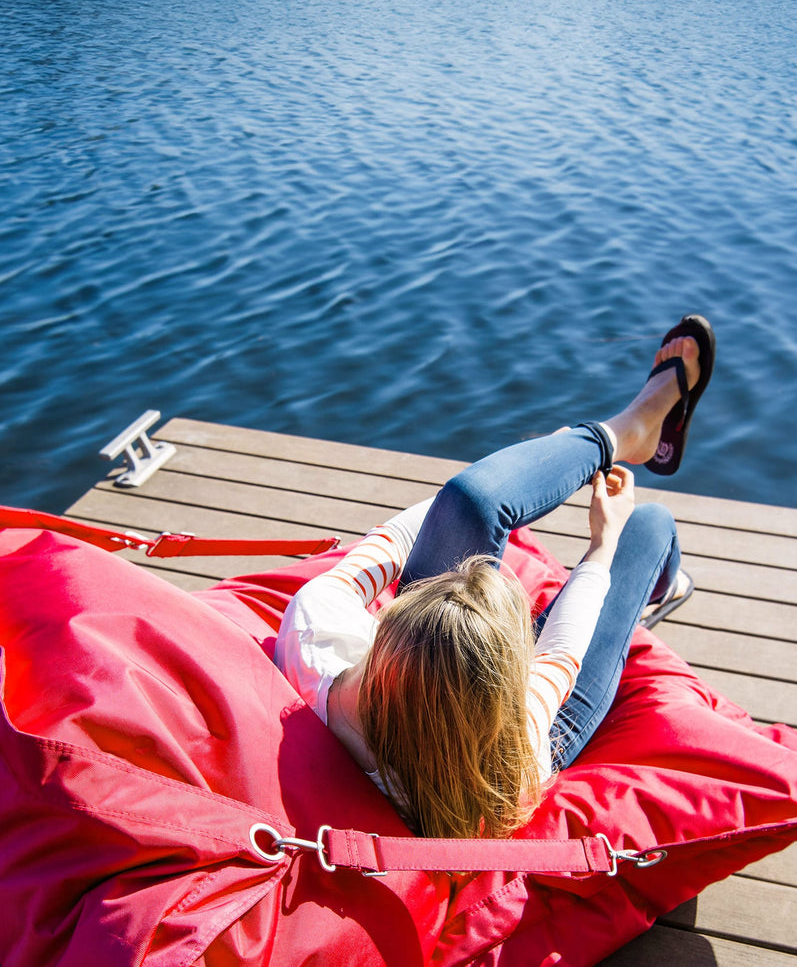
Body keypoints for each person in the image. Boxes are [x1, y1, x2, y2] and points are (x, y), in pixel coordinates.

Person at [275, 315, 716, 840]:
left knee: (468, 504)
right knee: (646, 525)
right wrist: (603, 540)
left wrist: (544, 465)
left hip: (440, 712)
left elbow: (397, 540)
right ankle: (665, 586)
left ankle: (619, 434)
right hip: (520, 738)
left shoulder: (313, 637)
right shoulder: (519, 751)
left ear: (389, 626)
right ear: (511, 676)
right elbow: (558, 655)